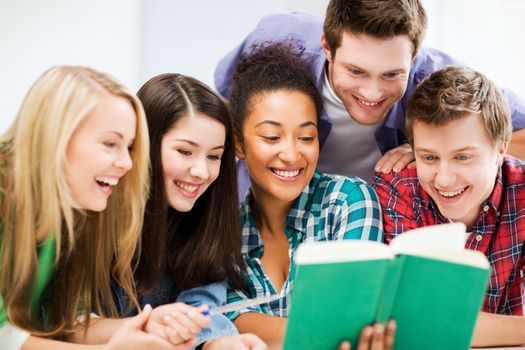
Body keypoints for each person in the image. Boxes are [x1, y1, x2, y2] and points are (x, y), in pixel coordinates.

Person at [214, 0, 525, 198]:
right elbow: (227, 106)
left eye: (391, 74)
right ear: (327, 46)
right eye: (356, 71)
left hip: (371, 226)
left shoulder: (435, 79)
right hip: (264, 209)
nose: (373, 94)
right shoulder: (278, 39)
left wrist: (434, 151)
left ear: (414, 55)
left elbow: (516, 134)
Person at [0, 65, 195, 350]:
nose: (127, 164)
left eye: (129, 147)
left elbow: (65, 319)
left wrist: (142, 325)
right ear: (56, 136)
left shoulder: (72, 206)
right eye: (109, 144)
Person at [226, 42, 394, 349]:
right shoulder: (226, 233)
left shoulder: (348, 200)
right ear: (238, 143)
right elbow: (230, 321)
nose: (291, 154)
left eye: (306, 137)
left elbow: (350, 324)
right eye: (272, 137)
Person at [373, 65, 525, 347]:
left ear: (501, 149)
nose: (443, 178)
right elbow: (424, 322)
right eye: (429, 158)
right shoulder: (399, 193)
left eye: (463, 158)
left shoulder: (521, 192)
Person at [115, 73, 266, 350]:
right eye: (185, 152)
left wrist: (217, 344)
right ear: (144, 144)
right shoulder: (98, 218)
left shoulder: (205, 223)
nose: (201, 172)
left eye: (214, 156)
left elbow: (203, 309)